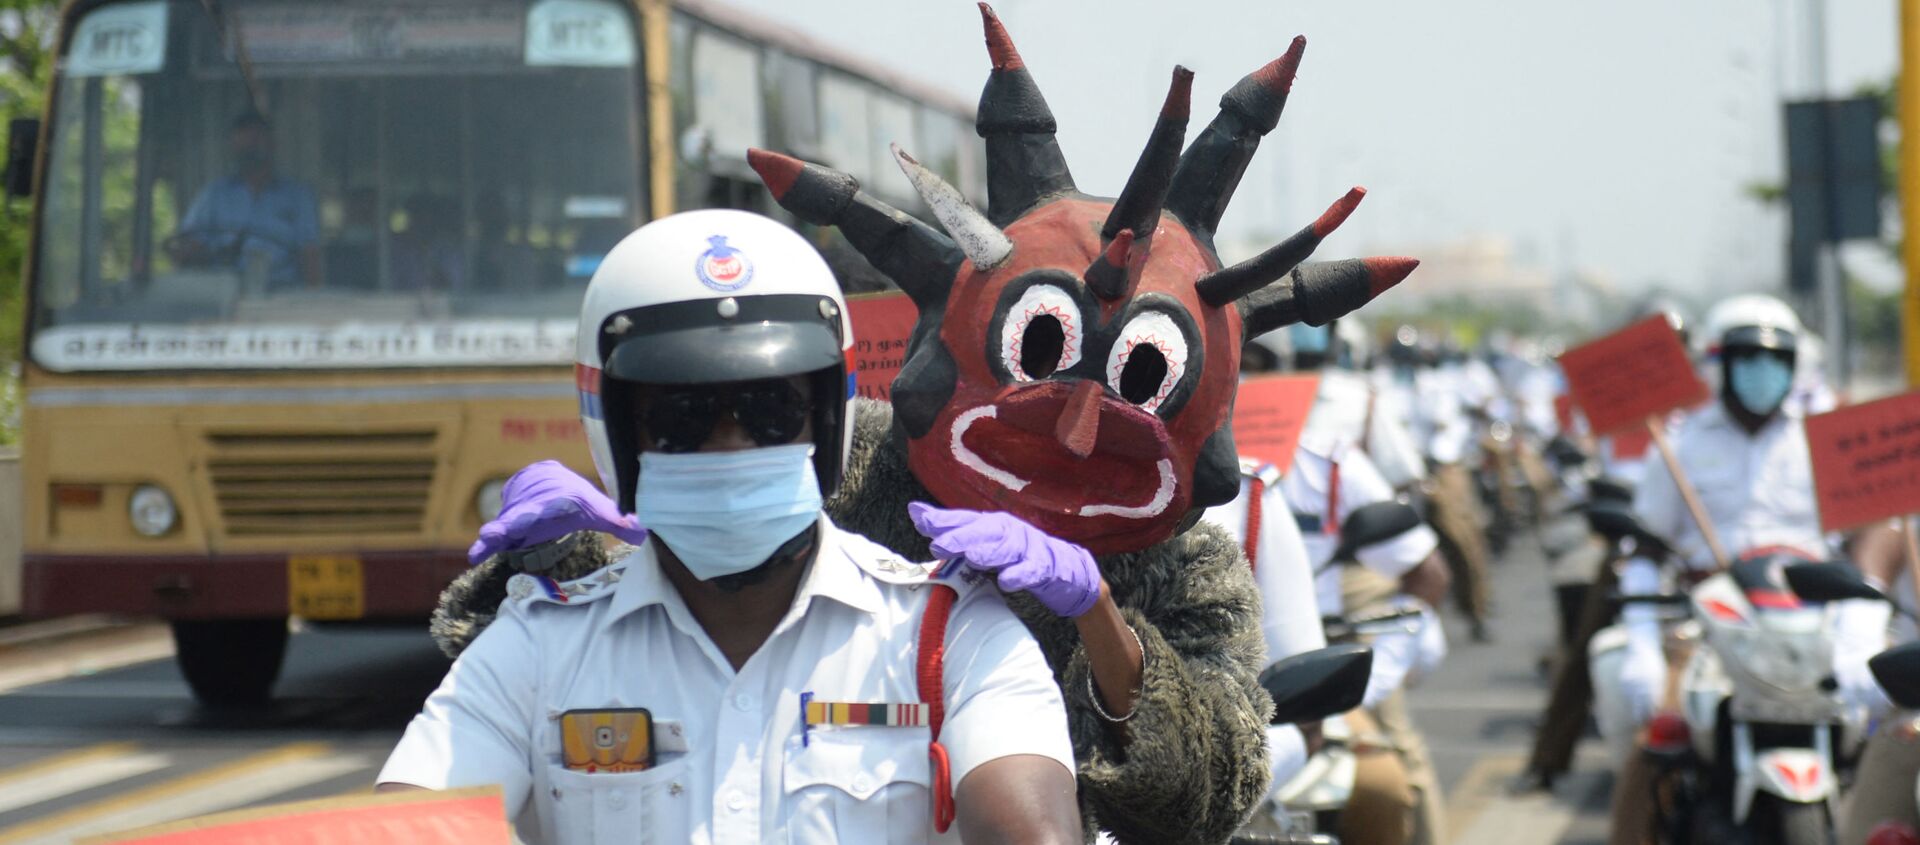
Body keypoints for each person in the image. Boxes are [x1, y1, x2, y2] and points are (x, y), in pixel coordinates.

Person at [429, 7, 1423, 842]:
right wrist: (570, 556)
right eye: (1041, 354)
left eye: (1136, 380)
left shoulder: (1187, 567)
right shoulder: (848, 465)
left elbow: (1207, 784)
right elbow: (635, 620)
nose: (1078, 424)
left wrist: (1098, 619)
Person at [377, 209, 1084, 844]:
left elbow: (1029, 830)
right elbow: (408, 822)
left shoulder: (948, 637)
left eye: (769, 409)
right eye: (683, 416)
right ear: (618, 433)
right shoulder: (539, 650)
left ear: (827, 415)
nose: (729, 444)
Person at [1594, 292, 1868, 844]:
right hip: (1707, 626)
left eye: (1774, 359)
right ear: (1719, 364)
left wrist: (1859, 634)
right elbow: (1647, 548)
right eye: (1747, 358)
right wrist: (1643, 640)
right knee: (1653, 745)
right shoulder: (1677, 445)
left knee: (1891, 741)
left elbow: (1863, 542)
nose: (1761, 372)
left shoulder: (1827, 441)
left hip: (1809, 621)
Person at [169, 111, 319, 289]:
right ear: (234, 147)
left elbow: (310, 255)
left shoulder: (297, 197)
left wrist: (312, 299)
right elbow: (190, 244)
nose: (251, 150)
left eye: (256, 142)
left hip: (282, 295)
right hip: (222, 292)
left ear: (272, 144)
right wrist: (193, 253)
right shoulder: (214, 195)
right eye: (244, 146)